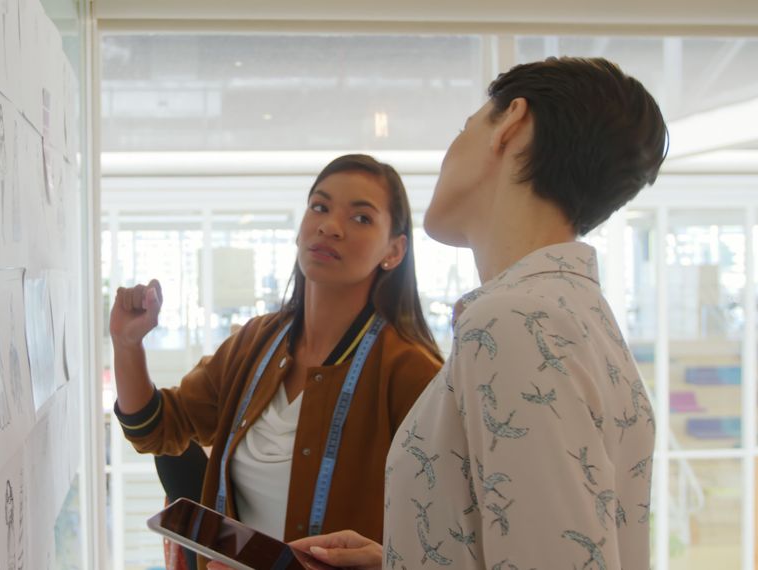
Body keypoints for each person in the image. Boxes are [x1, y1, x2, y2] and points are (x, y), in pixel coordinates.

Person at [285, 57, 667, 570]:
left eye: (465, 128)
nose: (450, 152)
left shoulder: (515, 323)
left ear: (511, 124)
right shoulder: (569, 315)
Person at [110, 154, 444, 558]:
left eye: (360, 218)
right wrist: (128, 345)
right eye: (319, 207)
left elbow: (448, 530)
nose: (329, 226)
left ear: (394, 250)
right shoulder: (255, 343)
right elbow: (158, 428)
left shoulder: (411, 371)